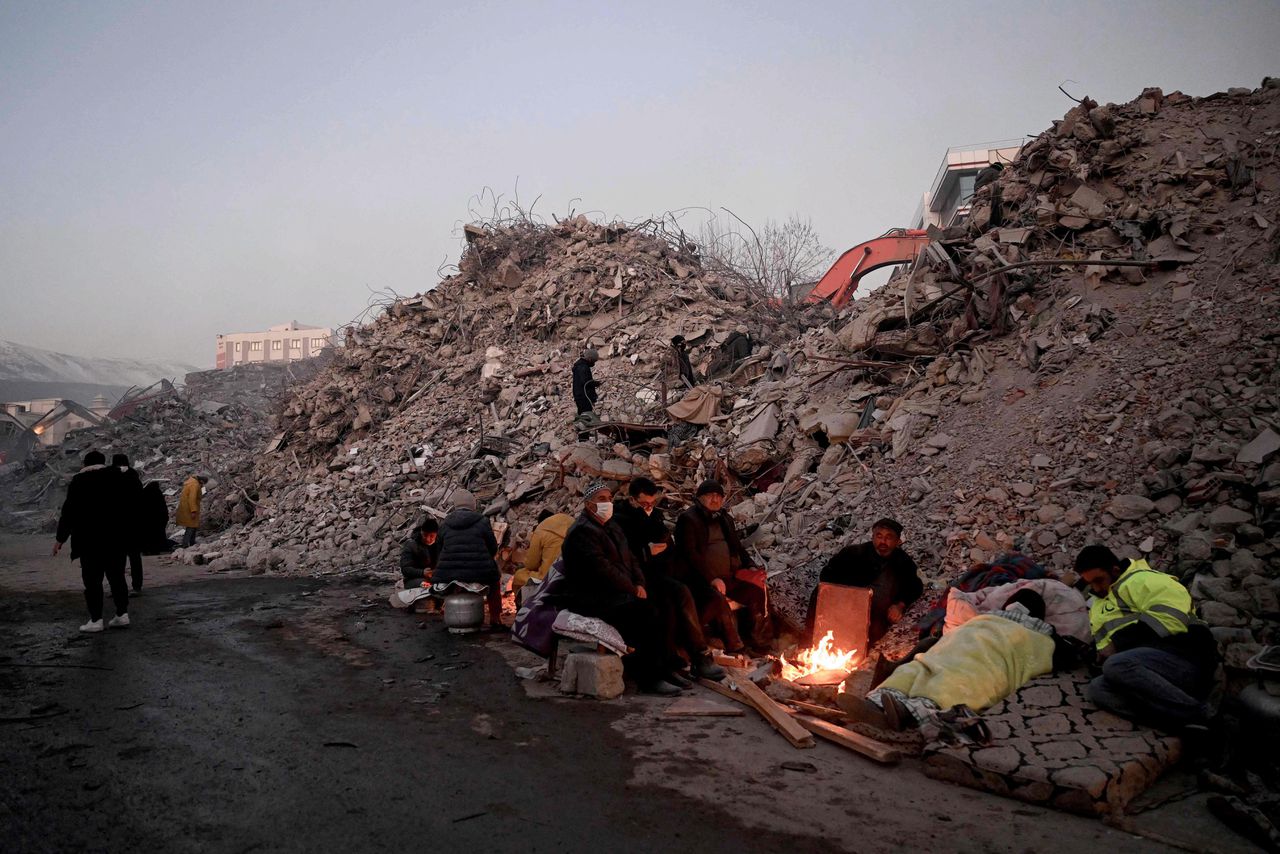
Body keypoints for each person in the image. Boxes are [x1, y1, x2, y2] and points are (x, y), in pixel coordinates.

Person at [842, 589, 1073, 732]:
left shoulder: (987, 617)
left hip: (961, 655)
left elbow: (957, 635)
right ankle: (895, 709)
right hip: (972, 659)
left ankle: (885, 704)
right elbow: (1064, 655)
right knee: (951, 680)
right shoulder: (1043, 632)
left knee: (918, 669)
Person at [1075, 545, 1218, 734]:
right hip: (1142, 670)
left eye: (1098, 580)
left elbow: (1172, 617)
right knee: (1098, 689)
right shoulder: (1100, 605)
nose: (1095, 588)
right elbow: (1107, 648)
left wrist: (1116, 644)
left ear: (1115, 570)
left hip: (1183, 658)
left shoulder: (1144, 579)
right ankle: (1181, 725)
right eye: (1089, 583)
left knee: (1116, 665)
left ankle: (1206, 717)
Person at [559, 480, 683, 695]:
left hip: (618, 590)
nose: (608, 503)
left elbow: (631, 558)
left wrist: (639, 582)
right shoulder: (582, 532)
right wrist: (632, 589)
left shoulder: (611, 526)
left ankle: (665, 667)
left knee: (666, 603)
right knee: (644, 613)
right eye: (602, 499)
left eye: (609, 499)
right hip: (593, 596)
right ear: (589, 505)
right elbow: (603, 569)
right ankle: (649, 677)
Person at [612, 477, 725, 682]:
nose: (649, 507)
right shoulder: (619, 520)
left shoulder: (654, 515)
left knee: (691, 594)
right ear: (632, 500)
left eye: (652, 503)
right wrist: (646, 551)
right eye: (644, 503)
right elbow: (620, 555)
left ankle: (690, 656)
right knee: (672, 600)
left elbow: (665, 540)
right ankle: (687, 659)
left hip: (656, 574)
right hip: (633, 579)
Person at [672, 479, 772, 654]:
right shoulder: (688, 519)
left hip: (729, 576)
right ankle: (735, 646)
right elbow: (690, 555)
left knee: (757, 592)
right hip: (700, 580)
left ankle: (758, 641)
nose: (715, 500)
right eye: (710, 496)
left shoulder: (724, 518)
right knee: (718, 601)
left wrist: (750, 566)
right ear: (700, 498)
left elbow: (737, 546)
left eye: (718, 496)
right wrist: (712, 578)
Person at [807, 517, 923, 646]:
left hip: (874, 612)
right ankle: (808, 645)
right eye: (879, 536)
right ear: (873, 537)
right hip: (843, 605)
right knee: (818, 593)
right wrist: (845, 595)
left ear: (898, 541)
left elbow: (915, 586)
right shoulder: (853, 553)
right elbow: (827, 575)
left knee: (871, 635)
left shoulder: (903, 562)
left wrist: (899, 605)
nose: (883, 542)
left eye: (889, 537)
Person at [53, 451, 130, 633]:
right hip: (116, 540)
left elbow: (68, 513)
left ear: (85, 464)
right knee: (117, 578)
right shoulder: (118, 478)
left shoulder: (79, 482)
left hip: (89, 541)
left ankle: (96, 620)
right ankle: (122, 614)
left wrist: (60, 539)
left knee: (92, 581)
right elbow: (128, 508)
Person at [432, 490, 503, 629]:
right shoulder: (482, 521)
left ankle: (449, 612)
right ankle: (495, 618)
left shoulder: (445, 524)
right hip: (479, 572)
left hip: (449, 573)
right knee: (494, 581)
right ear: (473, 504)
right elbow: (493, 548)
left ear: (455, 505)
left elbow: (438, 551)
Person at [511, 509, 574, 604]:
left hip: (550, 576)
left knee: (519, 576)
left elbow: (531, 564)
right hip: (576, 573)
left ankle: (523, 609)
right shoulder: (572, 522)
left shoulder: (541, 530)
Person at [112, 453, 145, 594]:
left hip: (116, 526)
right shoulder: (134, 477)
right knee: (135, 558)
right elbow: (140, 501)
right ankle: (137, 587)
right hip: (133, 525)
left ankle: (117, 588)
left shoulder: (110, 478)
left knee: (116, 560)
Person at [399, 518, 441, 588]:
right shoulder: (411, 545)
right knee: (428, 586)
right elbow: (405, 569)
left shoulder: (441, 543)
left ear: (437, 534)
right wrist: (422, 572)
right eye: (425, 535)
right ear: (421, 532)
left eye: (431, 536)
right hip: (414, 579)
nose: (428, 539)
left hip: (436, 577)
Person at [176, 473, 208, 547]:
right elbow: (192, 499)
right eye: (203, 484)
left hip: (186, 507)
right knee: (190, 527)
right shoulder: (195, 485)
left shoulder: (191, 482)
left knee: (193, 526)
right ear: (202, 481)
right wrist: (193, 510)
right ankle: (185, 544)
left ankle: (192, 542)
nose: (203, 486)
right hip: (190, 508)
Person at [571, 348, 601, 415]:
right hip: (583, 397)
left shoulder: (580, 365)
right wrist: (596, 383)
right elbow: (586, 382)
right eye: (594, 361)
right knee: (586, 415)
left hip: (580, 395)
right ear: (590, 359)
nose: (594, 363)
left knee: (582, 414)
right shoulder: (583, 367)